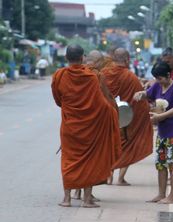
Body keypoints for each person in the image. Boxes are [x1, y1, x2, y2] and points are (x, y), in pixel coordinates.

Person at [51, 45, 121, 208]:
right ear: (82, 57)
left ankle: (67, 199)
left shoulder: (59, 75)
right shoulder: (92, 76)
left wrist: (71, 108)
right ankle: (87, 199)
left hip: (69, 126)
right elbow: (102, 103)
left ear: (66, 58)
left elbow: (57, 100)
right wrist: (112, 113)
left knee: (68, 159)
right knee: (90, 160)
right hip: (90, 126)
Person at [133, 62, 173, 202]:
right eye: (157, 79)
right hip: (163, 133)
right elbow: (148, 94)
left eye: (161, 78)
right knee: (161, 164)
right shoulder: (157, 86)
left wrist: (160, 117)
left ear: (169, 75)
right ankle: (161, 193)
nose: (158, 81)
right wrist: (141, 94)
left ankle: (172, 196)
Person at [101, 48, 153, 185]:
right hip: (125, 121)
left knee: (110, 147)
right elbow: (139, 103)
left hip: (107, 119)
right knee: (128, 146)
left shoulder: (103, 74)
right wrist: (143, 118)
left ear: (112, 58)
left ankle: (108, 175)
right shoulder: (130, 77)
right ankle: (120, 178)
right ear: (127, 59)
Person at [72, 50, 117, 201]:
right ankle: (87, 194)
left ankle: (77, 192)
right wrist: (114, 110)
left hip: (75, 121)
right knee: (90, 158)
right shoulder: (97, 75)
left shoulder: (75, 73)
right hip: (94, 122)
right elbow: (105, 98)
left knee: (78, 157)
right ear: (98, 62)